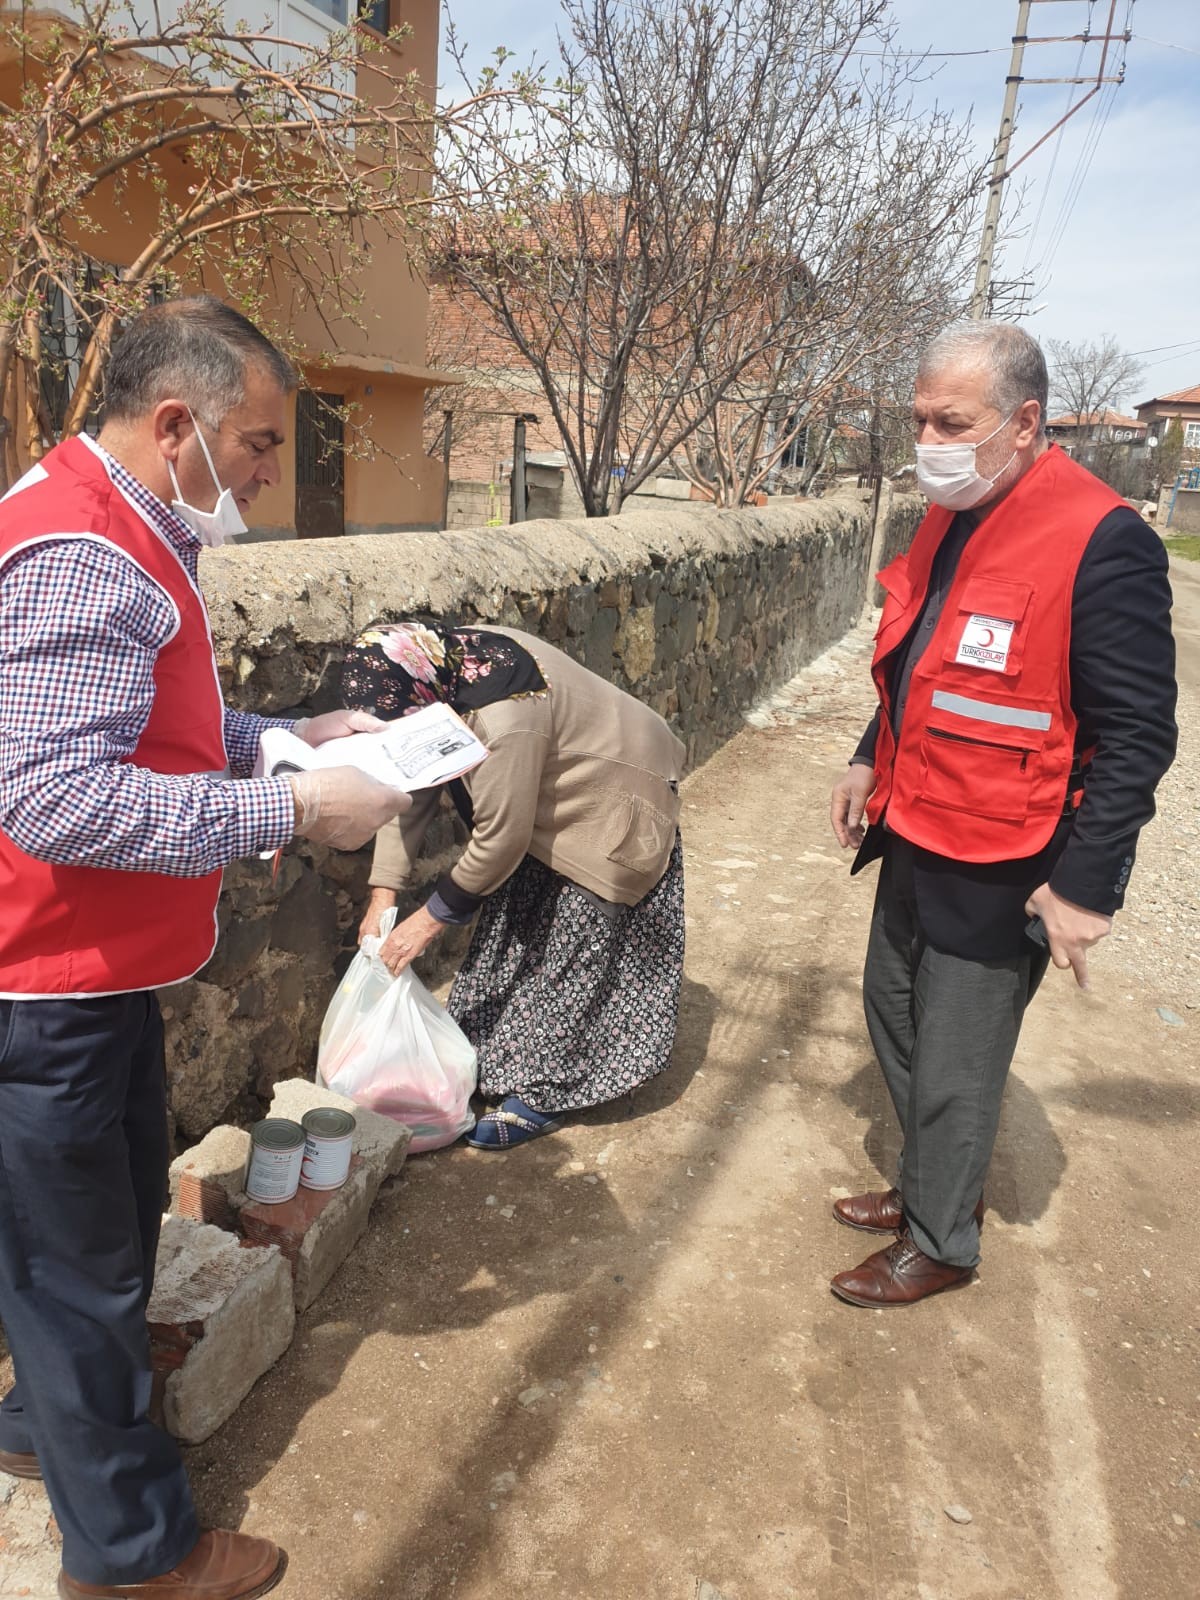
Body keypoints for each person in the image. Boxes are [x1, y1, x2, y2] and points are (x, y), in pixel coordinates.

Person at [0, 297, 409, 1599]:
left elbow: (151, 717)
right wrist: (288, 806)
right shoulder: (85, 551)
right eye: (262, 443)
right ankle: (131, 1558)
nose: (269, 475)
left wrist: (284, 737)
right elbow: (57, 796)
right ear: (176, 423)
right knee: (75, 1266)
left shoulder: (122, 518)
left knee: (104, 1230)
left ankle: (47, 1422)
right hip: (43, 983)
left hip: (93, 972)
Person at [827, 320, 1177, 1308]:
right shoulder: (956, 511)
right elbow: (924, 663)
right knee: (891, 1013)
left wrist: (1082, 885)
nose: (929, 439)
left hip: (1012, 851)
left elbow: (1140, 738)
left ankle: (943, 1239)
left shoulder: (1100, 539)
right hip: (919, 823)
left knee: (955, 1057)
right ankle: (933, 1184)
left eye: (953, 420)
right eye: (920, 418)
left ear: (1024, 423)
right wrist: (867, 756)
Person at [344, 619, 687, 1149]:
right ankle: (493, 1057)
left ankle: (544, 1093)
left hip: (615, 791)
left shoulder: (505, 714)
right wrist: (383, 891)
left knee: (573, 950)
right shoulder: (441, 666)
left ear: (425, 694)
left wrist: (422, 924)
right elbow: (410, 788)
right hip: (550, 790)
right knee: (517, 931)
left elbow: (501, 839)